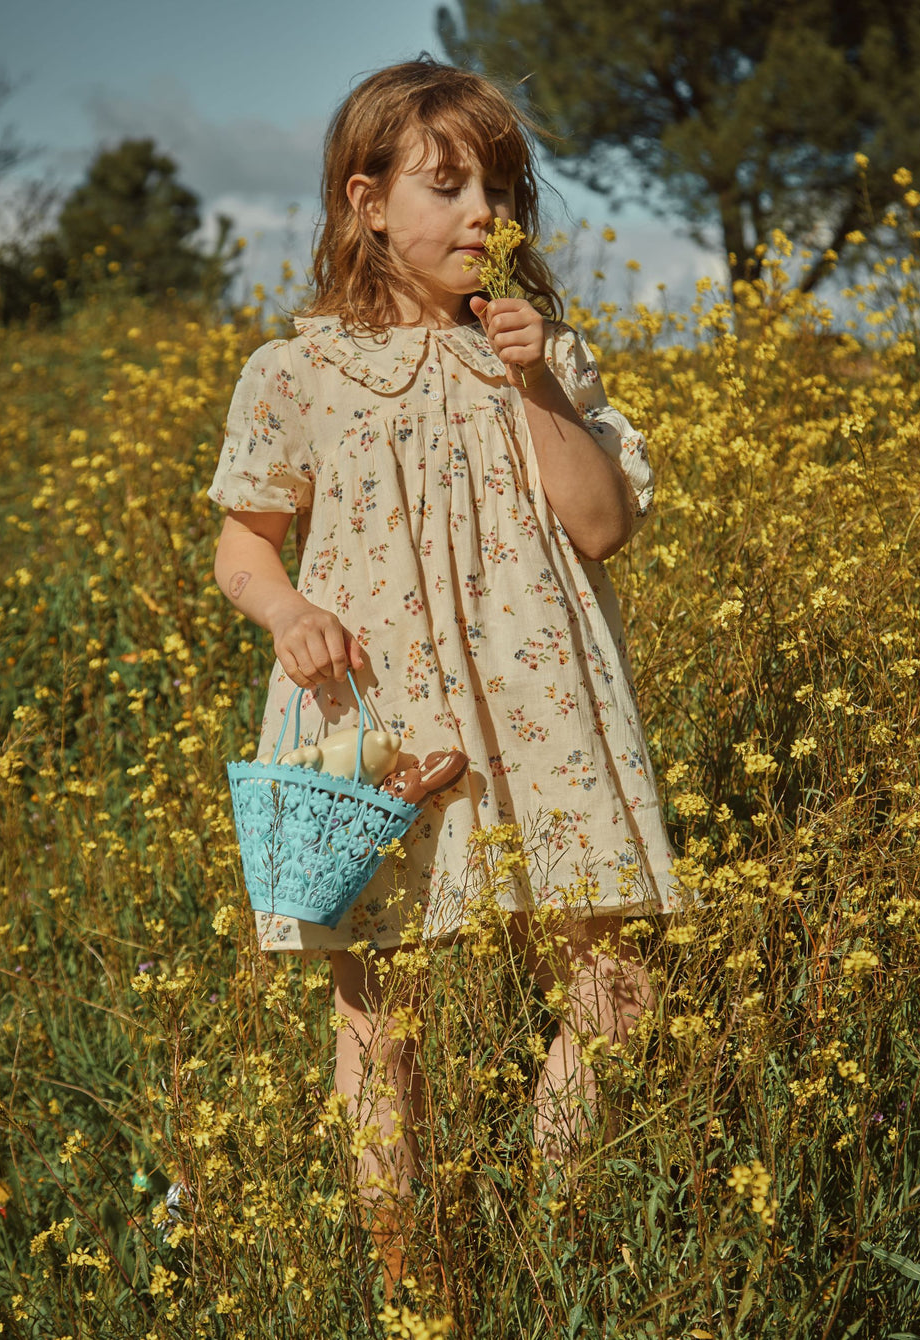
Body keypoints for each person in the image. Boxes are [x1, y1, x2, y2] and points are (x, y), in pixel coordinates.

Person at [209, 57, 676, 1289]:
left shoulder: (539, 355)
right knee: (380, 1015)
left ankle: (549, 1239)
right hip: (378, 713)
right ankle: (413, 1281)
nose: (485, 211)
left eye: (502, 184)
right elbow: (243, 542)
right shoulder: (296, 371)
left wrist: (535, 380)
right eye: (449, 184)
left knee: (614, 982)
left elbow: (601, 527)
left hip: (543, 702)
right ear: (366, 201)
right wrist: (289, 611)